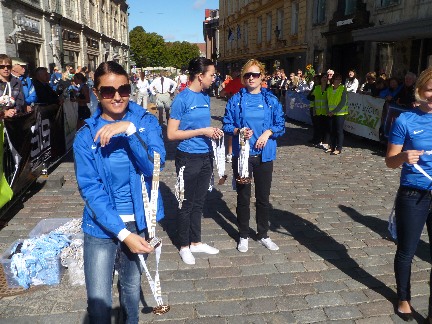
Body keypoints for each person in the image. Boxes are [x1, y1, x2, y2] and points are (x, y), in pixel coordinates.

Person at [73, 61, 166, 324]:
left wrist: (129, 131)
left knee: (130, 292)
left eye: (123, 89)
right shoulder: (86, 136)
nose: (117, 96)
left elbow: (155, 166)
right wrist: (123, 234)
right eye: (107, 91)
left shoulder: (144, 121)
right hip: (102, 225)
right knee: (99, 303)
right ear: (95, 92)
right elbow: (90, 189)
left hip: (139, 220)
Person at [222, 59, 285, 253]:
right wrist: (239, 130)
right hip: (243, 155)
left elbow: (280, 125)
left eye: (255, 75)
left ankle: (263, 234)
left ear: (262, 77)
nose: (251, 78)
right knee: (243, 196)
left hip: (265, 155)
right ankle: (243, 234)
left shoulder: (271, 100)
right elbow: (226, 124)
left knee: (263, 198)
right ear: (243, 77)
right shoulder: (236, 99)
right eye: (248, 75)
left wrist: (268, 133)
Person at [385, 67, 432, 322]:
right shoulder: (406, 120)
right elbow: (390, 161)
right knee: (407, 250)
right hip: (413, 194)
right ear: (421, 90)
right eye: (430, 89)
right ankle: (403, 297)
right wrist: (403, 156)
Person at [167, 57, 223, 265]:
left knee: (199, 202)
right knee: (186, 203)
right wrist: (202, 131)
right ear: (200, 76)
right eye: (211, 74)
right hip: (187, 156)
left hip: (205, 155)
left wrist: (213, 133)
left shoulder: (206, 97)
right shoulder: (182, 99)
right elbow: (172, 134)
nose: (214, 78)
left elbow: (205, 128)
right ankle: (183, 245)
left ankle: (196, 242)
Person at [326, 72, 348, 155]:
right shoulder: (329, 89)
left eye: (339, 79)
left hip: (340, 113)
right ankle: (332, 147)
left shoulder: (342, 88)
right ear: (333, 80)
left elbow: (342, 102)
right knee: (332, 130)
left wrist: (334, 111)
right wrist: (328, 110)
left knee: (339, 131)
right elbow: (327, 101)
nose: (338, 81)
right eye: (336, 79)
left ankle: (339, 148)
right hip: (330, 112)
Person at [307, 74, 329, 149]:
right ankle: (318, 140)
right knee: (318, 126)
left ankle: (325, 141)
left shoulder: (329, 87)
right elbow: (309, 96)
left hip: (327, 110)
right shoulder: (317, 87)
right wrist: (313, 98)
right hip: (317, 110)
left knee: (325, 127)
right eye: (323, 77)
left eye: (326, 77)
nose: (324, 79)